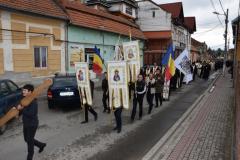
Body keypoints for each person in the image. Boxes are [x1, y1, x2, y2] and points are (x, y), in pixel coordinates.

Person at [16, 84, 46, 160]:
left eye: (25, 90)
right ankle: (41, 145)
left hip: (32, 124)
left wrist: (22, 109)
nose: (23, 91)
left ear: (30, 92)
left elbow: (31, 114)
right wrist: (18, 111)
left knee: (29, 141)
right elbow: (21, 110)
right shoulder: (24, 99)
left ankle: (29, 157)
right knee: (27, 139)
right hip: (26, 123)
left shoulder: (33, 102)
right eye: (23, 90)